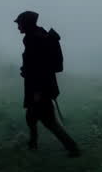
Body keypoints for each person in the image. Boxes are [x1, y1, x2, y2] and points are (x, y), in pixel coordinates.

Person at [14, 10, 80, 157]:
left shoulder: (34, 40)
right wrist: (26, 69)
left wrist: (37, 91)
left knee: (49, 121)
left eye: (19, 23)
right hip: (39, 86)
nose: (18, 26)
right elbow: (34, 64)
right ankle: (33, 145)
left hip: (39, 88)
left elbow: (40, 68)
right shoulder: (36, 37)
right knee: (31, 117)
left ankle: (73, 149)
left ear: (26, 24)